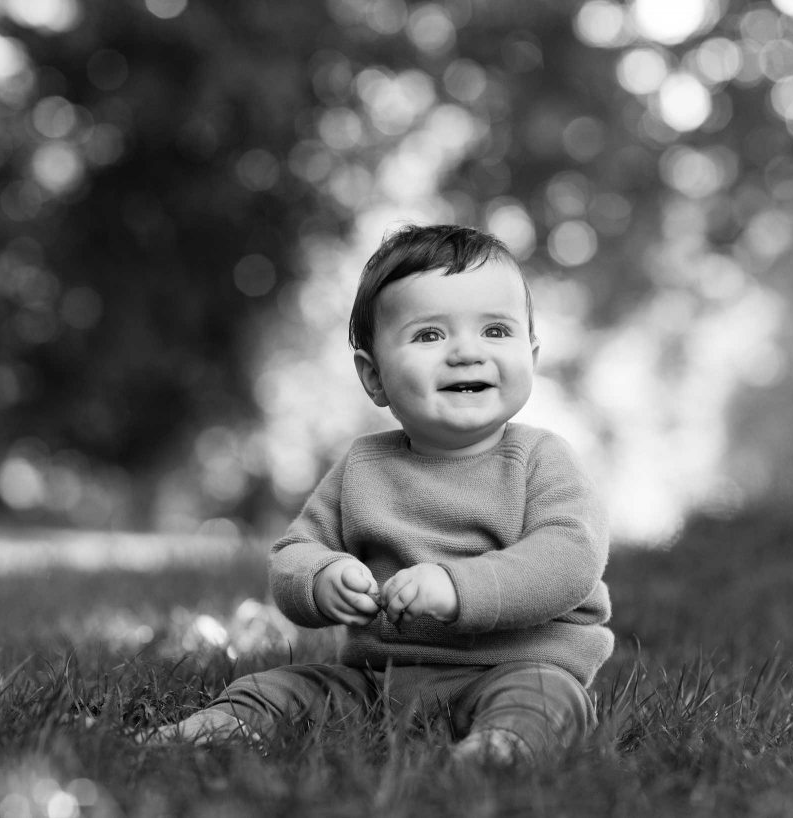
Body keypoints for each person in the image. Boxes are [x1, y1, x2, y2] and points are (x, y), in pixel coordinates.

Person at [147, 223, 613, 766]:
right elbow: (292, 554)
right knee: (281, 686)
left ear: (530, 353)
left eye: (495, 331)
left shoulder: (541, 459)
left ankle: (502, 748)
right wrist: (322, 579)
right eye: (429, 335)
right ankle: (216, 727)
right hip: (379, 683)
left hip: (513, 670)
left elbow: (569, 557)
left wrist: (460, 588)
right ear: (374, 378)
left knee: (546, 699)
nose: (466, 352)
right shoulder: (362, 467)